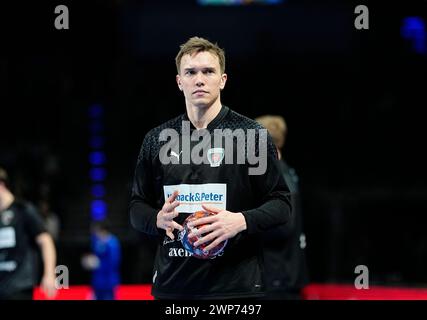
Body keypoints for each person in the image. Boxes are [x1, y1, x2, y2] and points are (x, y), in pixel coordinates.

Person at [129, 36, 292, 299]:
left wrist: (240, 220)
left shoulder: (252, 135)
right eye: (191, 72)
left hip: (235, 288)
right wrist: (156, 219)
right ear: (179, 81)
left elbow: (282, 205)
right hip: (174, 287)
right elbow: (136, 207)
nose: (200, 79)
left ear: (223, 79)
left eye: (208, 71)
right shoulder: (156, 139)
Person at [255, 115, 309, 299]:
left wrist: (243, 225)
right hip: (283, 276)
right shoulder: (284, 171)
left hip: (278, 280)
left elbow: (283, 226)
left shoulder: (278, 176)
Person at [0, 167, 57, 300]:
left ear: (1, 184)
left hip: (19, 287)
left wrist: (49, 274)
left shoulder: (23, 210)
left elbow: (45, 240)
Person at [82, 220, 121, 300]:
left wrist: (98, 263)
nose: (95, 234)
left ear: (102, 230)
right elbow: (95, 257)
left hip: (108, 283)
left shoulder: (112, 243)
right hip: (97, 282)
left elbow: (114, 263)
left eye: (96, 231)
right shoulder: (96, 241)